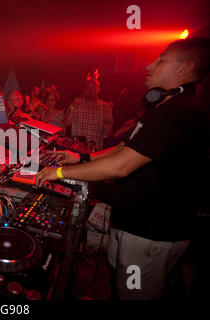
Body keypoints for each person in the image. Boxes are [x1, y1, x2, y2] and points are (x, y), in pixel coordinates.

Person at [35, 38, 210, 300]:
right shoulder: (166, 107)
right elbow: (123, 149)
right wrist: (82, 158)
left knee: (133, 294)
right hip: (136, 226)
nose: (150, 66)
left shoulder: (178, 112)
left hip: (150, 232)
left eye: (161, 60)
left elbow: (121, 165)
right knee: (122, 286)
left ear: (185, 69)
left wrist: (57, 173)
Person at [64, 78, 113, 151]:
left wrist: (107, 128)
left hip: (95, 150)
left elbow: (109, 130)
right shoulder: (77, 103)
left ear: (99, 89)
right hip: (77, 149)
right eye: (87, 87)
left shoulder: (105, 106)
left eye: (93, 87)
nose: (90, 90)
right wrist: (73, 106)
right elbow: (66, 123)